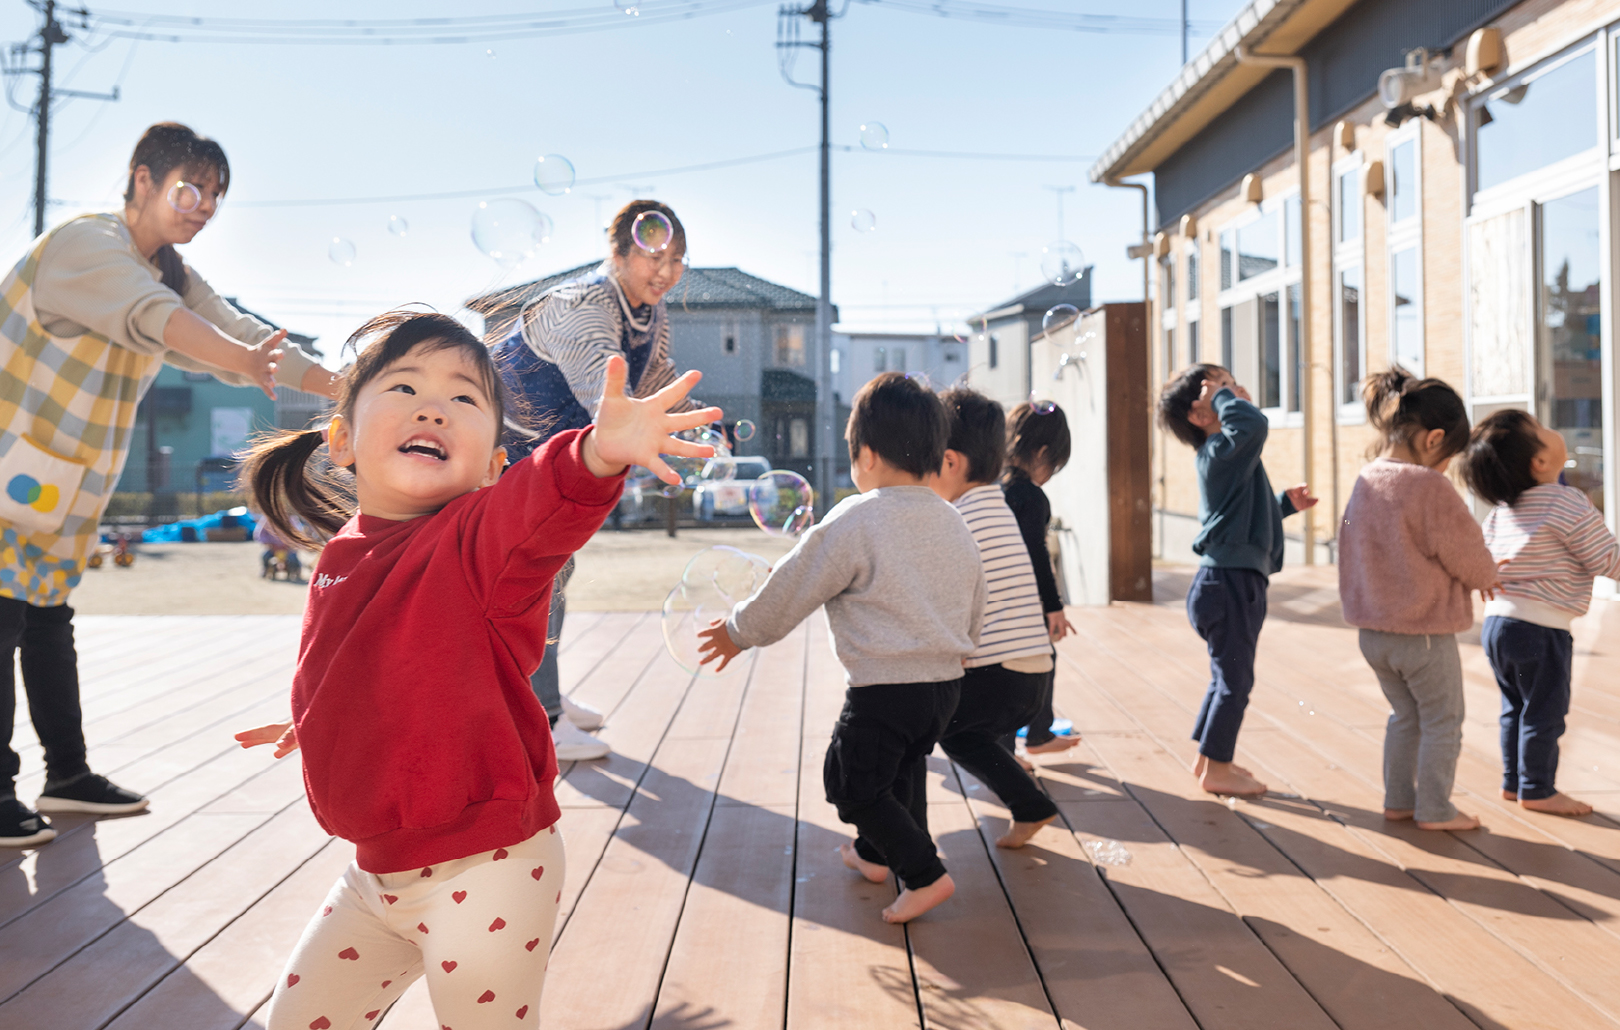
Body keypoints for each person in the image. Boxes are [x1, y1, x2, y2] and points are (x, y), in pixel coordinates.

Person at [233, 310, 719, 1030]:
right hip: (376, 873)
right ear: (341, 440)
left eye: (464, 398)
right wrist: (318, 718)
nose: (433, 405)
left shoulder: (478, 543)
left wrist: (596, 454)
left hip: (486, 868)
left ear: (493, 465)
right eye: (403, 387)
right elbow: (359, 655)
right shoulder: (343, 555)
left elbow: (541, 504)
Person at [0, 122, 339, 848]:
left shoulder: (169, 272)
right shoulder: (87, 246)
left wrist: (340, 386)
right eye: (191, 187)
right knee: (1, 621)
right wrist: (244, 359)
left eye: (215, 196)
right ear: (142, 179)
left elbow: (244, 336)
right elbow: (169, 325)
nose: (204, 207)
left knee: (46, 614)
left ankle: (68, 775)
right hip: (6, 463)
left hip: (52, 486)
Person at [696, 373, 985, 924]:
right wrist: (962, 649)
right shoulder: (952, 520)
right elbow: (976, 590)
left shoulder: (857, 517)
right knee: (901, 772)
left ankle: (925, 875)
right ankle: (879, 856)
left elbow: (792, 584)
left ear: (867, 456)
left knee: (850, 782)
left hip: (886, 689)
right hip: (945, 685)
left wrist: (739, 632)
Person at [492, 199, 698, 762]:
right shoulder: (582, 303)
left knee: (554, 573)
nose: (667, 272)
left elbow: (657, 384)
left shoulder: (649, 313)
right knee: (534, 581)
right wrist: (656, 430)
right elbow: (611, 407)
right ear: (617, 253)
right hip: (496, 448)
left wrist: (704, 422)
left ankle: (545, 700)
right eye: (654, 257)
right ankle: (542, 717)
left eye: (678, 260)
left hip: (540, 453)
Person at [1337, 368, 1495, 831]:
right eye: (1448, 457)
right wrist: (1487, 576)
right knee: (1443, 720)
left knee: (1404, 717)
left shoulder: (1367, 479)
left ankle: (1399, 801)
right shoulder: (1428, 486)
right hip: (1422, 635)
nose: (1446, 467)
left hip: (1373, 635)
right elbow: (1462, 547)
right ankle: (1436, 809)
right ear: (1434, 440)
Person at [1157, 365, 1316, 797]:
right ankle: (1218, 770)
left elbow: (1242, 515)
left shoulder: (1228, 455)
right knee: (1235, 682)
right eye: (1223, 386)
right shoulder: (1221, 450)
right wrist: (1229, 401)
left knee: (1225, 678)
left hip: (1222, 583)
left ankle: (1209, 759)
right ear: (1199, 415)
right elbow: (1254, 422)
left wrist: (1284, 504)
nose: (1237, 390)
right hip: (1228, 586)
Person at [1461, 409, 1609, 818]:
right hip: (1540, 631)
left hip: (1497, 625)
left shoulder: (1501, 512)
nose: (1550, 428)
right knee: (1546, 711)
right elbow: (1604, 557)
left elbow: (1483, 559)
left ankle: (1515, 782)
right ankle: (1539, 789)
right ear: (1539, 463)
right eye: (1541, 430)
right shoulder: (1566, 501)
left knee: (1515, 706)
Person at [930, 388, 1061, 849]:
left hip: (998, 674)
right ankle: (1029, 806)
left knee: (933, 725)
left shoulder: (955, 519)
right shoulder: (998, 504)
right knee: (967, 733)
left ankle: (884, 839)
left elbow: (949, 599)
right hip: (1033, 674)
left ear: (949, 463)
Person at [1000, 400, 1079, 764]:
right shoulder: (1031, 497)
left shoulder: (994, 487)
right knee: (1039, 665)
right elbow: (1037, 556)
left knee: (1001, 674)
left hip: (994, 600)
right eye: (1055, 466)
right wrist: (1053, 607)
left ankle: (1017, 743)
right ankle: (1032, 737)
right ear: (1042, 452)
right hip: (1022, 601)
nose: (1052, 473)